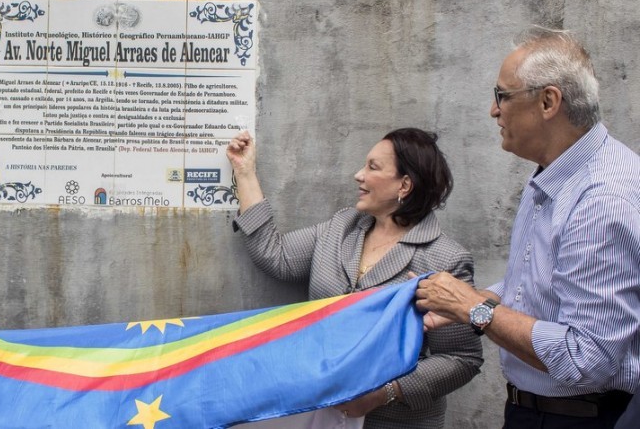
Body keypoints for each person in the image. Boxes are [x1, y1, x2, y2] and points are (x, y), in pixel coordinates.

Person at [415, 27, 640, 428]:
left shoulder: (601, 199)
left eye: (502, 96)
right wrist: (472, 298)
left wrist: (475, 309)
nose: (493, 110)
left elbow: (585, 358)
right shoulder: (559, 174)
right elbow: (544, 284)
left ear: (548, 101)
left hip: (584, 416)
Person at [226, 127, 483, 428]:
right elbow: (276, 256)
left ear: (405, 184)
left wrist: (382, 394)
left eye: (373, 167)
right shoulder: (342, 227)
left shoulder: (445, 259)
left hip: (393, 421)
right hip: (320, 416)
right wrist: (244, 172)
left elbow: (461, 358)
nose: (358, 175)